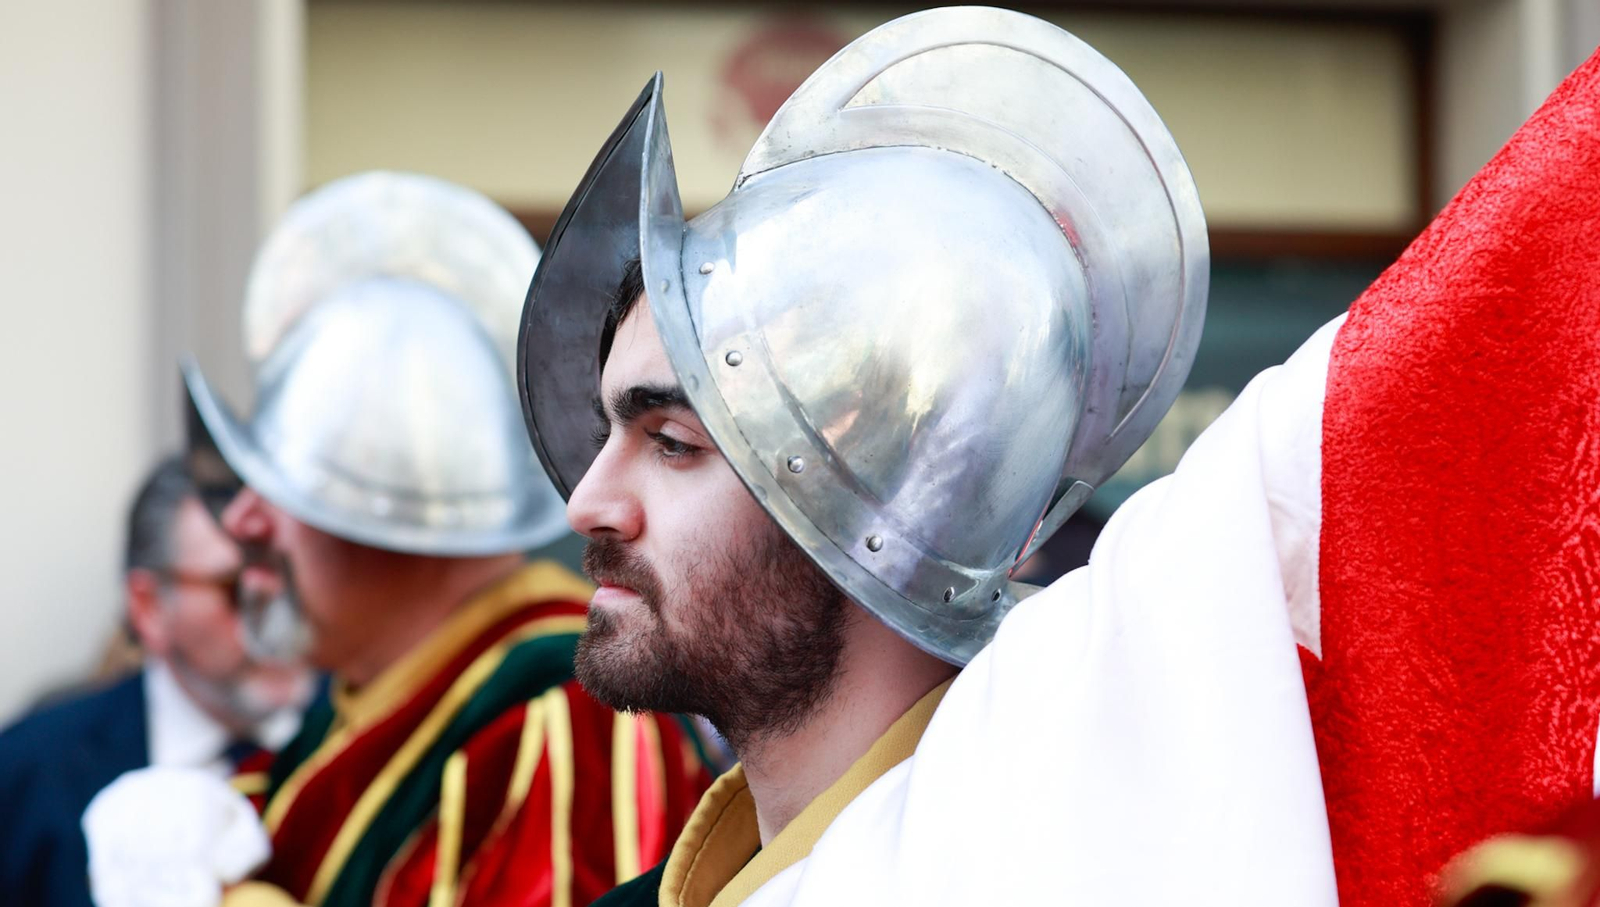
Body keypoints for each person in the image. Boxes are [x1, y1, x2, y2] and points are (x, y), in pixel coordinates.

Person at [518, 8, 1600, 906]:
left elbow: (1518, 296)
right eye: (612, 429)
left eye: (672, 443)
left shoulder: (1067, 829)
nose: (589, 501)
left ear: (873, 507)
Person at [86, 173, 708, 907]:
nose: (244, 521)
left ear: (390, 515)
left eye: (284, 492)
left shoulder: (564, 717)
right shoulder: (359, 699)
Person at [0, 457, 312, 907]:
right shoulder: (28, 773)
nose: (279, 622)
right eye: (238, 590)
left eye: (290, 579)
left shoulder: (364, 740)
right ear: (148, 607)